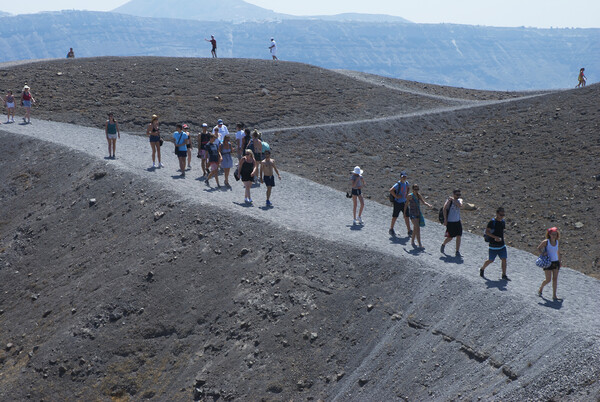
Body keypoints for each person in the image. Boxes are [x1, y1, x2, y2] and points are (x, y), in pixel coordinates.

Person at [479, 207, 508, 279]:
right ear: (497, 214)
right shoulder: (492, 222)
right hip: (493, 246)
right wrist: (495, 237)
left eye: (503, 215)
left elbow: (502, 231)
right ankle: (482, 268)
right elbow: (487, 232)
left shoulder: (502, 222)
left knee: (504, 259)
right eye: (501, 215)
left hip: (501, 245)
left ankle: (504, 275)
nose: (502, 216)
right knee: (491, 260)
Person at [404, 184, 433, 249]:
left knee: (415, 228)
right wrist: (405, 213)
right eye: (415, 189)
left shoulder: (418, 195)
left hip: (417, 213)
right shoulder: (410, 196)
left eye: (417, 189)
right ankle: (419, 243)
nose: (416, 190)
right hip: (412, 213)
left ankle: (412, 242)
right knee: (417, 228)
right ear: (413, 189)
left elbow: (423, 202)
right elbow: (406, 204)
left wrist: (428, 205)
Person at [537, 227, 562, 300]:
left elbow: (558, 252)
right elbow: (538, 248)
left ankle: (554, 295)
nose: (554, 235)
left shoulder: (557, 242)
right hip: (548, 262)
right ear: (549, 234)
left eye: (555, 234)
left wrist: (560, 262)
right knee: (548, 279)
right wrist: (542, 253)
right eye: (552, 234)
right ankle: (541, 288)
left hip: (555, 262)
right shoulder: (546, 241)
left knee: (555, 279)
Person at [389, 172, 412, 237]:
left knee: (407, 216)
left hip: (404, 202)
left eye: (405, 177)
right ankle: (391, 228)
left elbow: (408, 188)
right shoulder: (398, 184)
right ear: (400, 177)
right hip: (397, 203)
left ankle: (409, 230)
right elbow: (391, 190)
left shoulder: (406, 183)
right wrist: (396, 196)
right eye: (403, 177)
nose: (404, 178)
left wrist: (406, 195)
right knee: (395, 216)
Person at [441, 189, 463, 256]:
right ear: (453, 194)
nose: (458, 196)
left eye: (459, 194)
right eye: (457, 195)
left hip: (458, 221)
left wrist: (454, 200)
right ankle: (443, 244)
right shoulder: (449, 201)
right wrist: (445, 219)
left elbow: (460, 205)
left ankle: (457, 251)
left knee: (459, 236)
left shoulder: (459, 200)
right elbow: (444, 209)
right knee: (450, 237)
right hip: (450, 221)